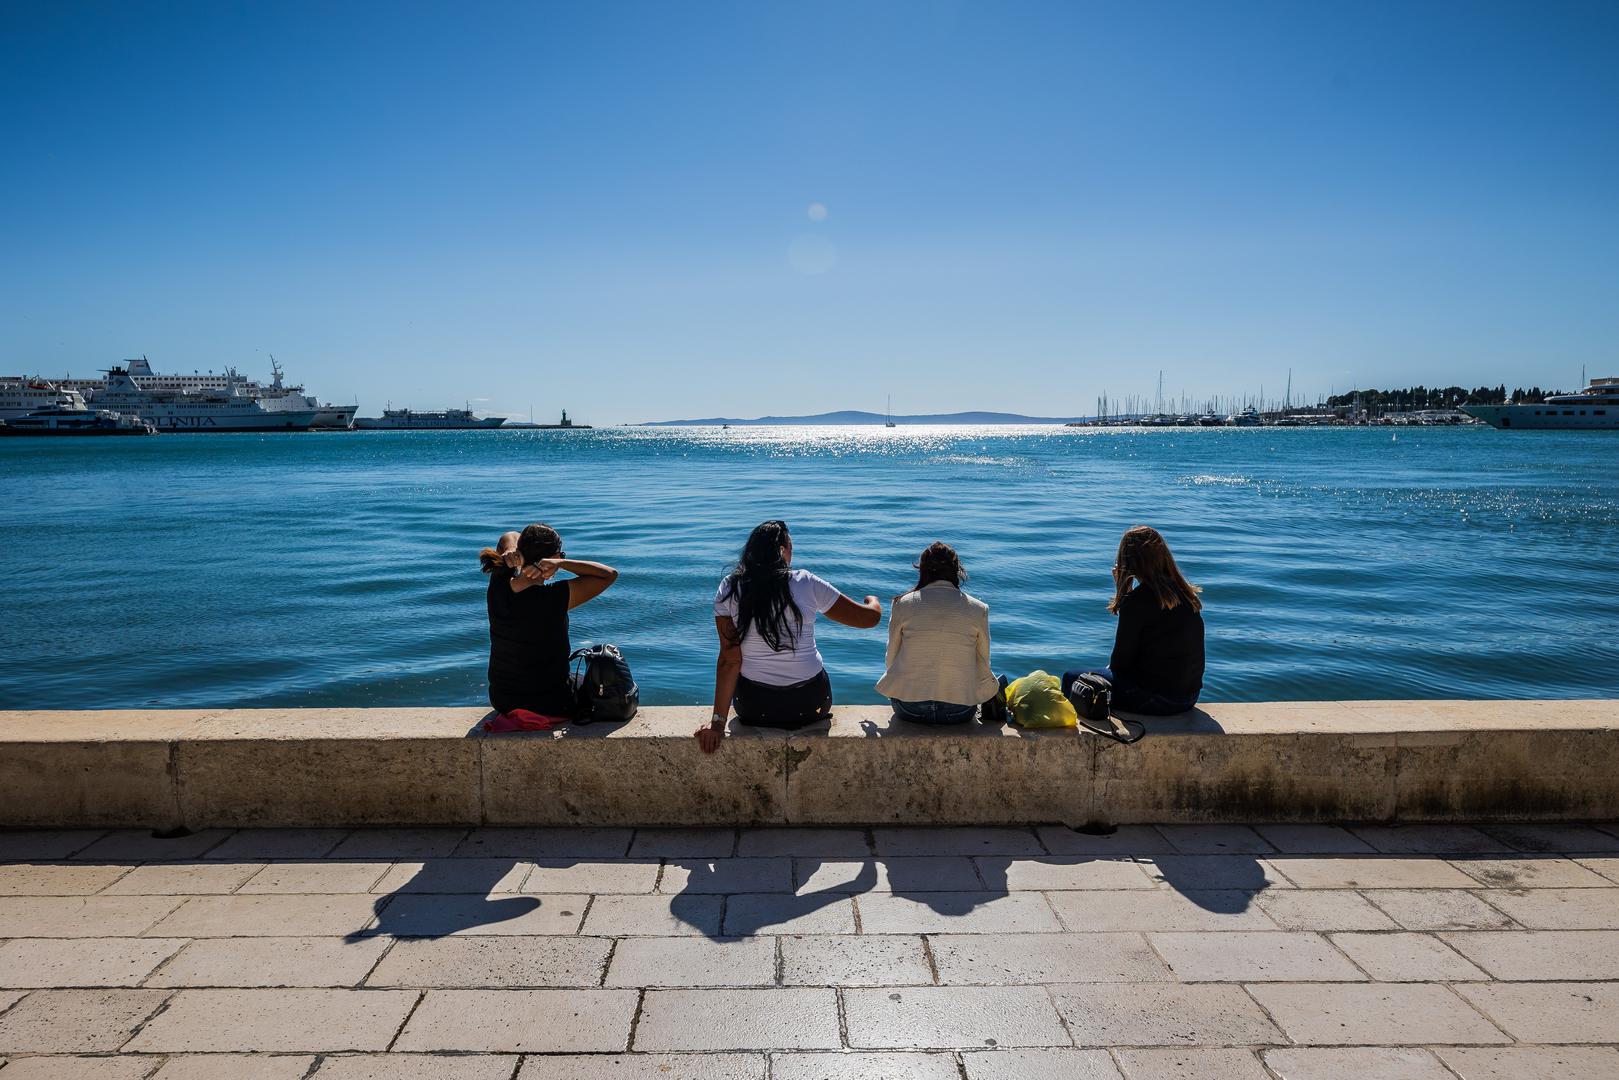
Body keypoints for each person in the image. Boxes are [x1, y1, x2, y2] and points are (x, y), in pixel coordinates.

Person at [697, 520, 881, 752]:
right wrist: (872, 601)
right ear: (783, 550)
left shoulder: (731, 587)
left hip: (754, 708)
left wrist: (717, 724)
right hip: (809, 704)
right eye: (791, 547)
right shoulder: (805, 582)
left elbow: (729, 660)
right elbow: (868, 619)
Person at [479, 523, 618, 719]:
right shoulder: (554, 598)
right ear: (551, 559)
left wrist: (512, 552)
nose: (562, 558)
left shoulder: (499, 584)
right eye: (561, 555)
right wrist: (562, 564)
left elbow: (509, 535)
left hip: (502, 699)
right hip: (550, 703)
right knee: (601, 681)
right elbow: (609, 574)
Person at [1066, 525, 1204, 715]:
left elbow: (1119, 665)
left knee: (1071, 679)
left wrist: (1123, 593)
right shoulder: (1186, 595)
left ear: (1129, 563)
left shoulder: (1136, 603)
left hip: (1157, 700)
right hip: (1189, 697)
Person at [876, 542, 1000, 724]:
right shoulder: (978, 609)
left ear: (923, 570)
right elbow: (984, 660)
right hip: (960, 711)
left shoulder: (902, 604)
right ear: (956, 570)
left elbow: (891, 659)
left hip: (909, 709)